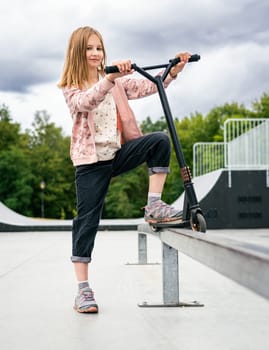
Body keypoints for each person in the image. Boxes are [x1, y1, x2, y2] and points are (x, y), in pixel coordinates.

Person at [58, 26, 191, 314]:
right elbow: (86, 102)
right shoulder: (72, 85)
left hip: (117, 153)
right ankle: (83, 290)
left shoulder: (117, 82)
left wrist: (174, 70)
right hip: (91, 163)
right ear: (78, 53)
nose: (96, 53)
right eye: (89, 49)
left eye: (99, 48)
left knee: (158, 141)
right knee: (87, 220)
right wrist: (109, 78)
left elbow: (150, 85)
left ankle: (154, 206)